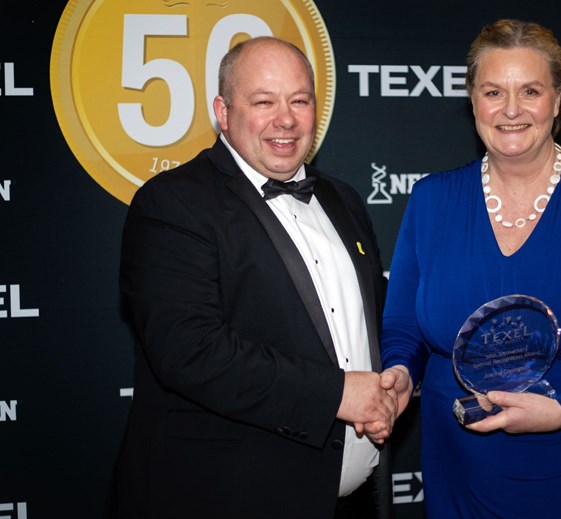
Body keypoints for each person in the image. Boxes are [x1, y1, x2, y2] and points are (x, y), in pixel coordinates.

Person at [379, 18, 561, 518]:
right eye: (493, 91)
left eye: (530, 90)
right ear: (472, 101)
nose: (511, 110)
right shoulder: (430, 200)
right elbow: (404, 324)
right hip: (461, 469)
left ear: (557, 101)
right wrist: (400, 370)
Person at [105, 36, 396, 519]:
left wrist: (392, 382)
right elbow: (188, 351)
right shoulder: (172, 204)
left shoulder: (343, 200)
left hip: (351, 503)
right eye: (264, 102)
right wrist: (340, 393)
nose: (286, 119)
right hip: (228, 498)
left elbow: (368, 329)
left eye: (299, 101)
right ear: (223, 111)